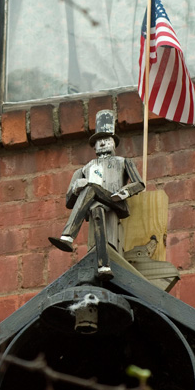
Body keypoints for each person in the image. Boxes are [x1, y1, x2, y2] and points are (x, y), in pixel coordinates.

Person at [49, 110, 144, 276]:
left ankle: (68, 236)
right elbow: (68, 201)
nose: (102, 144)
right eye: (98, 142)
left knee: (91, 188)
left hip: (115, 201)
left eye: (106, 140)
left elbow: (139, 183)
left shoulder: (123, 162)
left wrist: (123, 193)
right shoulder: (85, 168)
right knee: (96, 210)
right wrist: (75, 188)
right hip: (97, 202)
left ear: (114, 143)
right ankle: (104, 266)